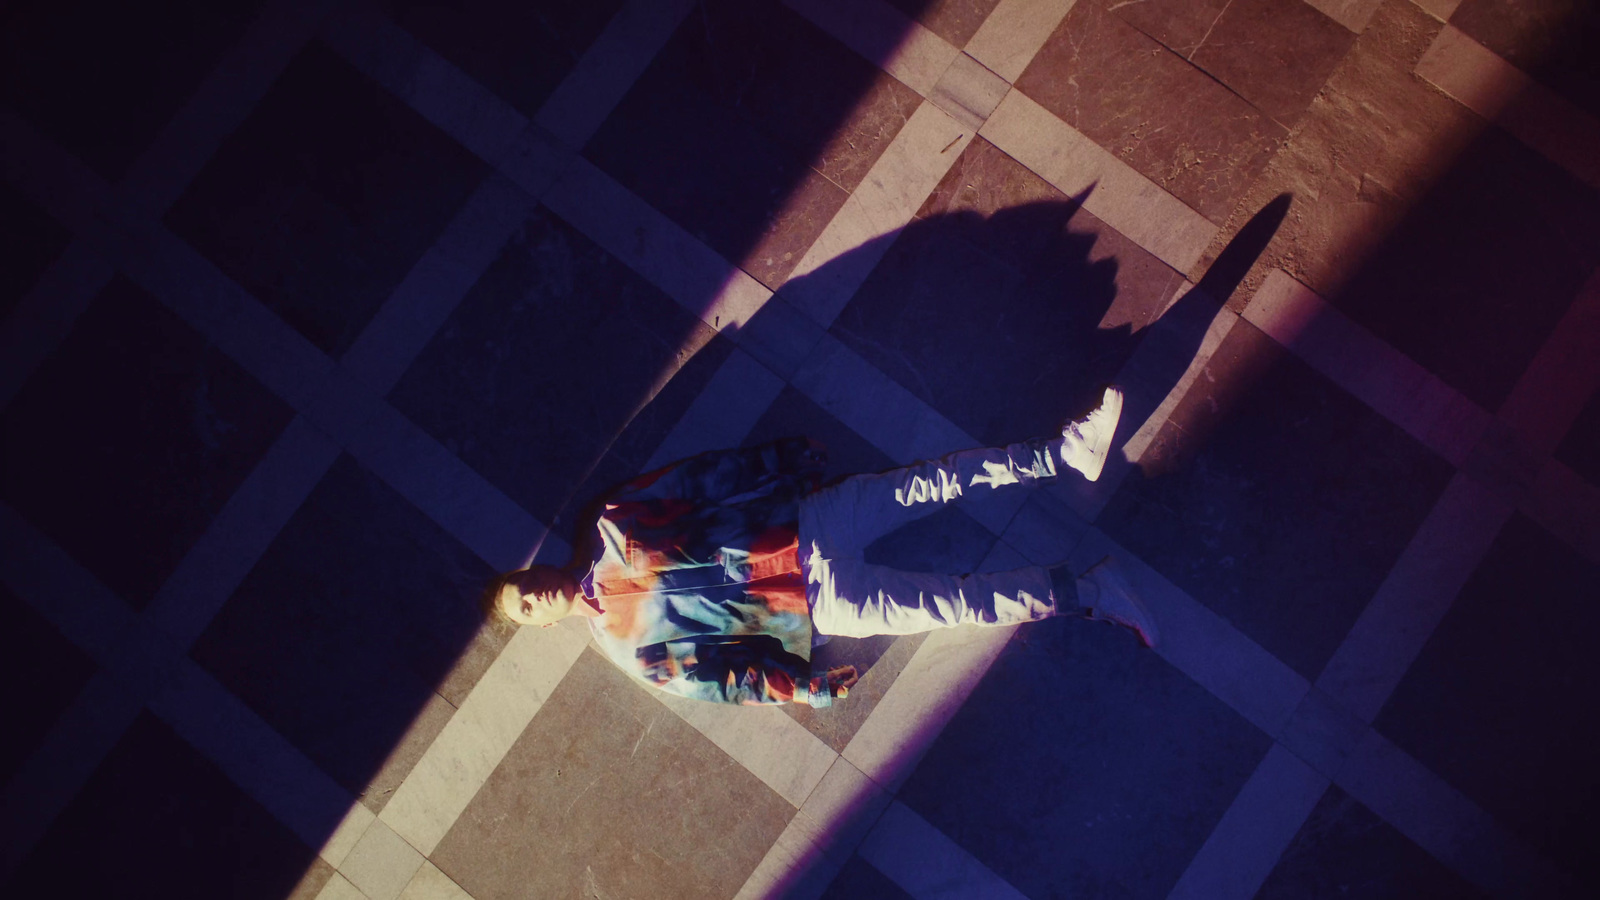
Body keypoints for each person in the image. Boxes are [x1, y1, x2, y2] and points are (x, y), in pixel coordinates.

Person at [489, 387, 1158, 706]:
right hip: (822, 608)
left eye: (524, 586)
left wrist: (778, 459)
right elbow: (724, 679)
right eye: (526, 610)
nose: (534, 596)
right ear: (541, 624)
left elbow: (699, 479)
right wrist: (802, 687)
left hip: (809, 523)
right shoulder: (633, 651)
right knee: (960, 606)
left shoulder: (614, 523)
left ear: (536, 566)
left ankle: (1066, 452)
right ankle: (1094, 590)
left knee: (932, 483)